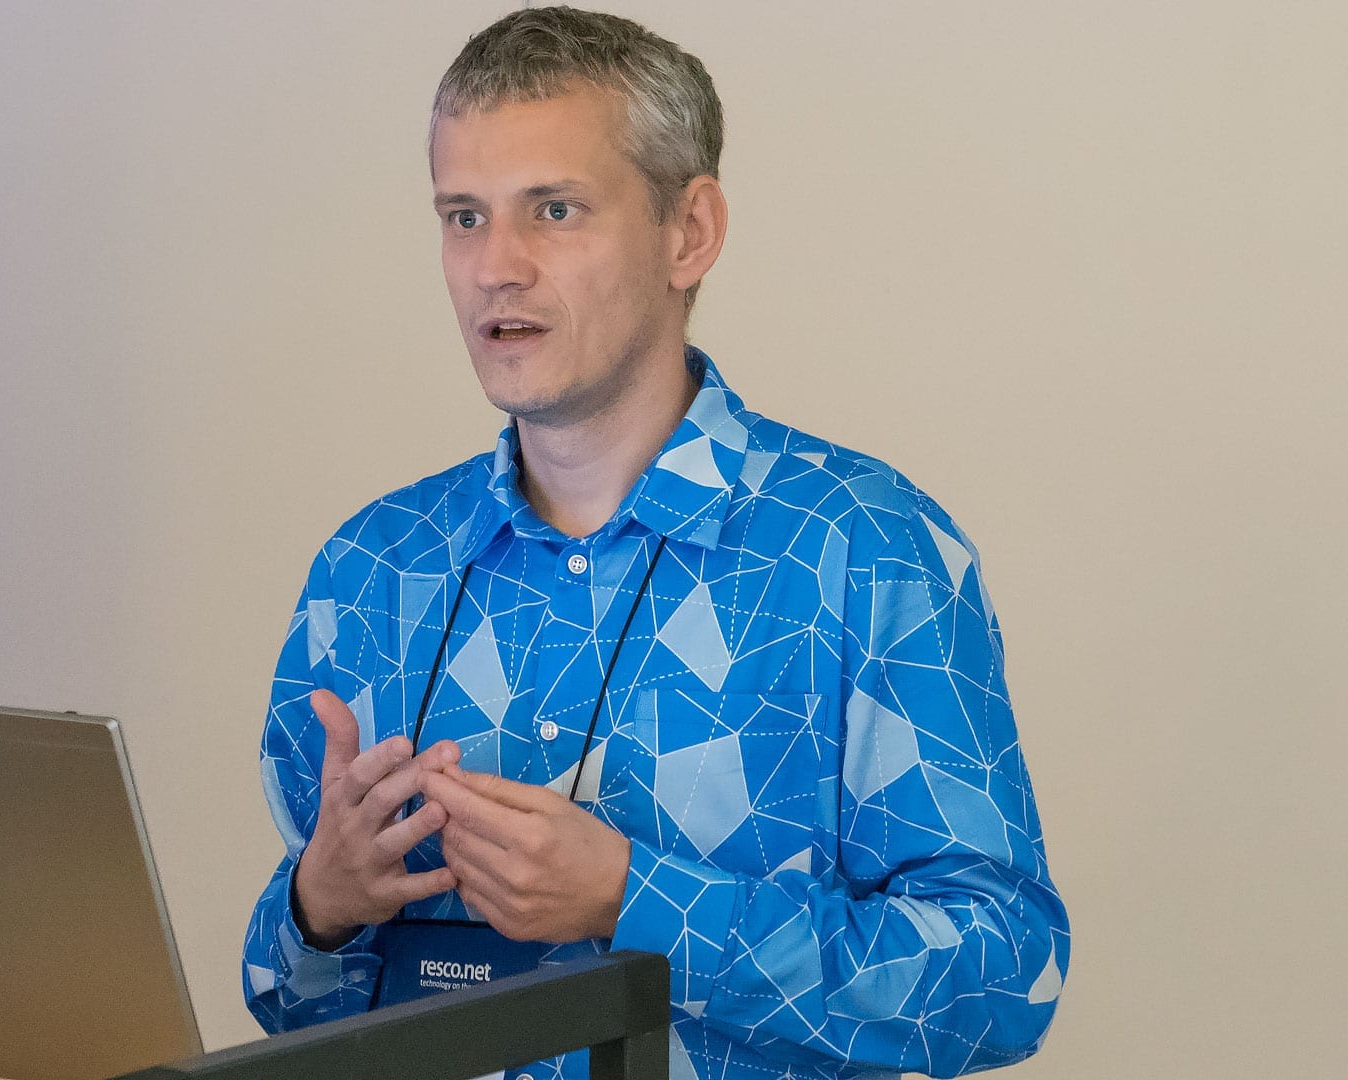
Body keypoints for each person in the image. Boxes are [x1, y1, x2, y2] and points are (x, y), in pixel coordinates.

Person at [242, 8, 1069, 1079]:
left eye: (554, 210)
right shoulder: (369, 570)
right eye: (463, 216)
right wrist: (320, 909)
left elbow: (1003, 980)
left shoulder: (864, 548)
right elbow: (288, 1007)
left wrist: (637, 901)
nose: (496, 267)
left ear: (690, 233)